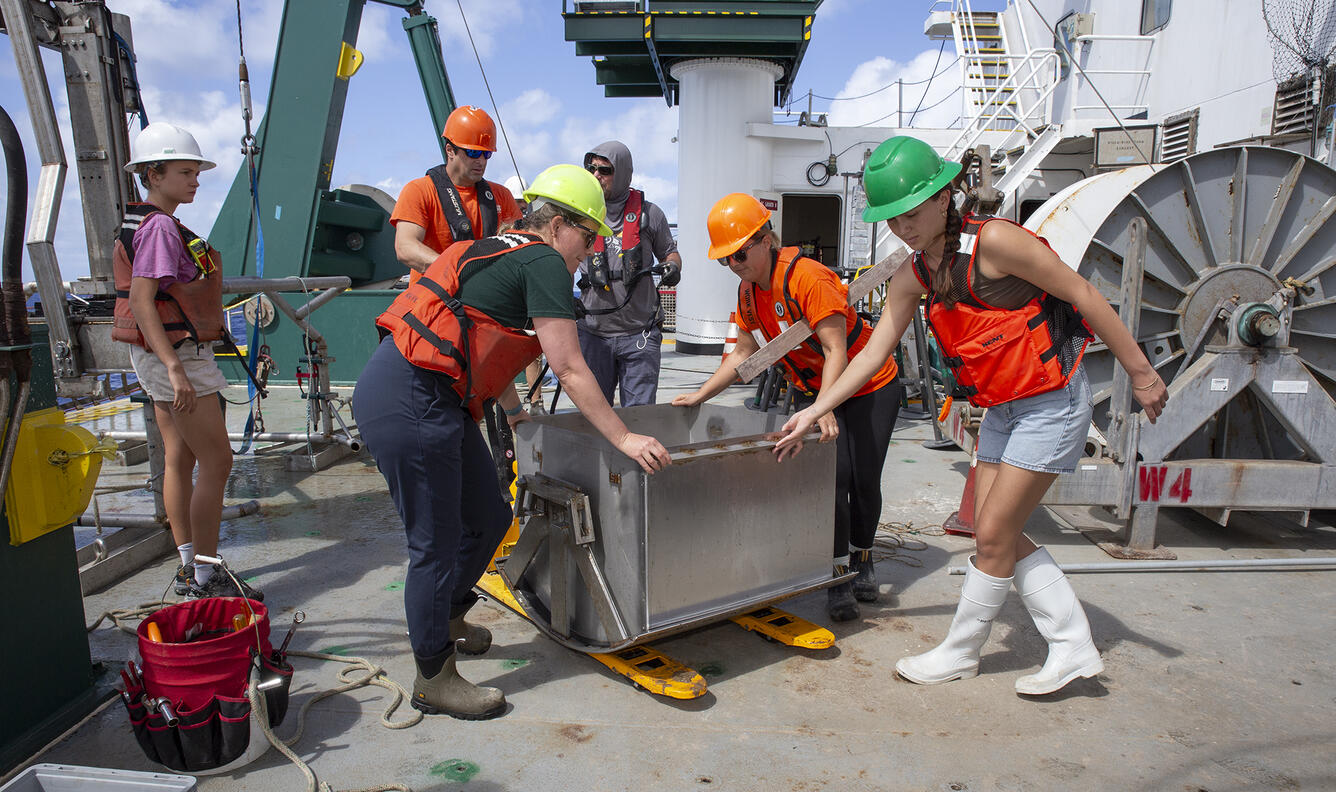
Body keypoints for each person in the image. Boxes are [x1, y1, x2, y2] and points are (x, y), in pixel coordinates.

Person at [775, 136, 1168, 695]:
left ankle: (962, 652)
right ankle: (1074, 644)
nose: (904, 228)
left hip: (1051, 403)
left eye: (912, 213)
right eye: (893, 219)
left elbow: (1081, 293)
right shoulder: (914, 275)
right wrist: (818, 408)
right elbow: (871, 352)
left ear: (943, 197)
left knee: (993, 535)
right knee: (992, 531)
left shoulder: (997, 242)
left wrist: (1141, 371)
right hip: (1002, 409)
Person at [353, 164, 672, 720]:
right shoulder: (544, 259)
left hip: (433, 397)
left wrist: (518, 414)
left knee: (489, 519)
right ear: (558, 226)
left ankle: (449, 615)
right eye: (589, 235)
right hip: (410, 398)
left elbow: (478, 338)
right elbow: (569, 367)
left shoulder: (497, 249)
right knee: (433, 543)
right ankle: (434, 676)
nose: (591, 250)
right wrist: (623, 437)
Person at [673, 193, 903, 623]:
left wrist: (823, 408)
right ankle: (837, 576)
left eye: (739, 254)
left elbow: (836, 349)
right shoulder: (747, 295)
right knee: (830, 480)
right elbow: (742, 354)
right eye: (726, 260)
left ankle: (863, 557)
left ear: (765, 240)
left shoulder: (808, 279)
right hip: (816, 391)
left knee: (864, 479)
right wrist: (702, 394)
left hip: (869, 384)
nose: (735, 265)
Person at [112, 122, 261, 601]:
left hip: (155, 357)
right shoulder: (159, 228)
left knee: (180, 456)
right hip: (177, 359)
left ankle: (186, 564)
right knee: (218, 460)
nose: (196, 180)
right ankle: (205, 575)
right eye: (185, 171)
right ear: (153, 175)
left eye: (197, 171)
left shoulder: (144, 222)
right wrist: (176, 369)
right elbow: (141, 299)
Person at [575, 141, 682, 407]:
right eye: (591, 169)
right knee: (595, 415)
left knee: (640, 418)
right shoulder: (576, 213)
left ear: (622, 173)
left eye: (605, 170)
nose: (596, 175)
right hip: (593, 335)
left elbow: (670, 252)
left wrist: (674, 267)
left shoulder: (650, 214)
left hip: (639, 336)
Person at [390, 105, 522, 282]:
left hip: (483, 301)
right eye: (473, 152)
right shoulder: (419, 190)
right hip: (433, 300)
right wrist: (458, 269)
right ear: (450, 150)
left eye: (486, 154)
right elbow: (405, 248)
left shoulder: (502, 196)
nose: (481, 161)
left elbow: (521, 250)